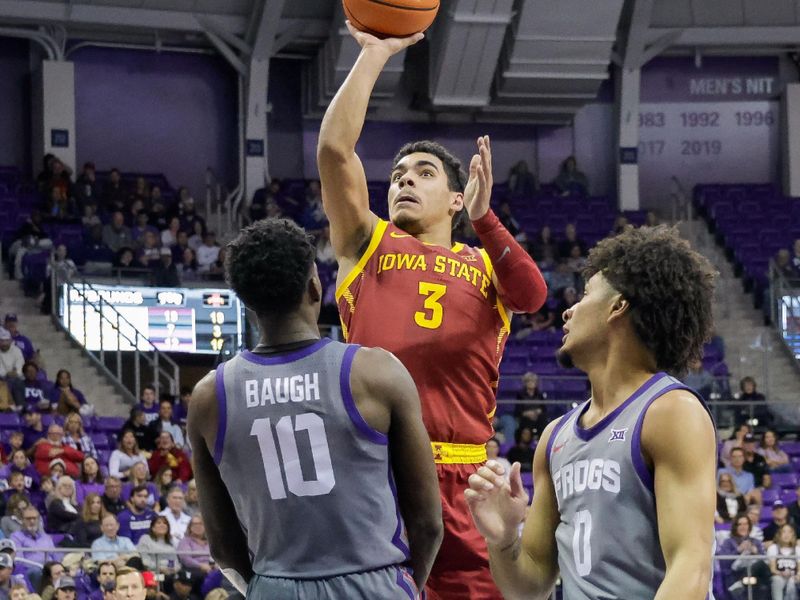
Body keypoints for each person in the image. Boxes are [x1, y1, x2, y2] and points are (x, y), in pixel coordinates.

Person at [317, 24, 546, 600]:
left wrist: (486, 219)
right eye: (396, 176)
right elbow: (333, 152)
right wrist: (372, 54)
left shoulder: (485, 260)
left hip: (466, 477)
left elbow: (534, 297)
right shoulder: (366, 245)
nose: (403, 183)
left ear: (454, 197)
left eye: (423, 174)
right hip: (377, 470)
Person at [187, 218, 443, 598]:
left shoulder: (209, 397)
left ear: (246, 300)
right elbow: (428, 524)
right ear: (315, 286)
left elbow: (222, 547)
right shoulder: (375, 373)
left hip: (275, 585)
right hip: (375, 581)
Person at [466, 225, 718, 599]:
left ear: (618, 306)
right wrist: (503, 539)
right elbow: (530, 586)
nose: (568, 310)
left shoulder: (670, 411)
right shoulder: (555, 436)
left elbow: (691, 568)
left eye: (584, 295)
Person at [768, 523, 800, 600]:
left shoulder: (797, 549)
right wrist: (781, 573)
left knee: (792, 582)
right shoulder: (773, 548)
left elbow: (799, 569)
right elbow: (772, 569)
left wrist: (797, 576)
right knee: (777, 580)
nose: (787, 535)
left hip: (793, 577)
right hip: (779, 576)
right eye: (784, 532)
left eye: (789, 532)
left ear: (793, 535)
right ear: (779, 534)